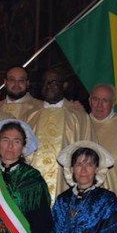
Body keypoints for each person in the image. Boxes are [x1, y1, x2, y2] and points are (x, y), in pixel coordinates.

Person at [25, 69, 96, 202]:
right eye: (45, 82)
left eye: (53, 82)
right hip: (31, 186)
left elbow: (89, 154)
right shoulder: (30, 116)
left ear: (64, 85)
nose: (48, 86)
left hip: (66, 186)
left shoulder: (79, 117)